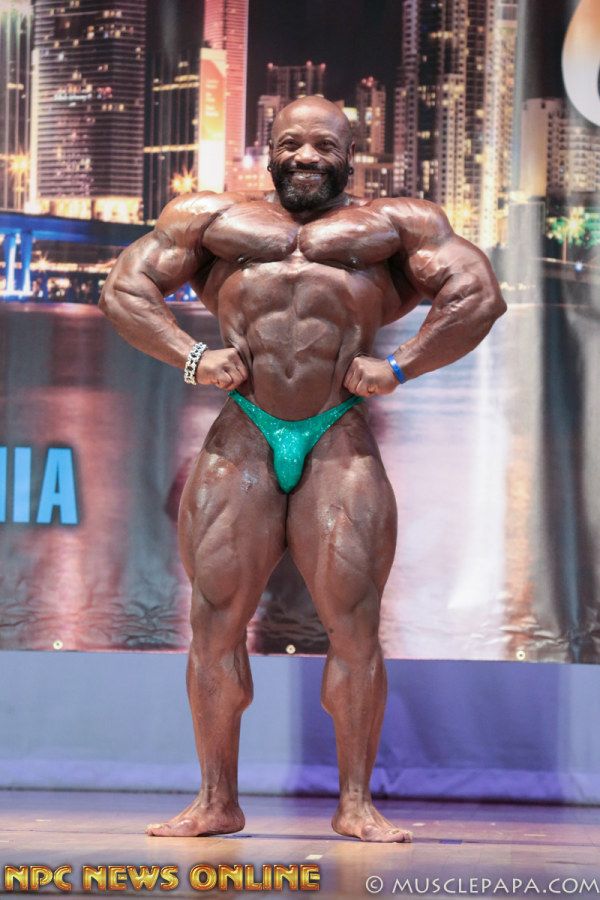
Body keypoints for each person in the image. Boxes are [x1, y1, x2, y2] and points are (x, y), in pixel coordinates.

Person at [99, 96, 506, 842]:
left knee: (354, 627)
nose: (306, 156)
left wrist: (401, 366)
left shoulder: (396, 226)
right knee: (214, 623)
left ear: (350, 153)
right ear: (270, 149)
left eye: (323, 144)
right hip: (243, 434)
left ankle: (355, 805)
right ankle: (216, 800)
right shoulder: (211, 219)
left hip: (337, 437)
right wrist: (192, 356)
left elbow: (478, 294)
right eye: (291, 143)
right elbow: (124, 288)